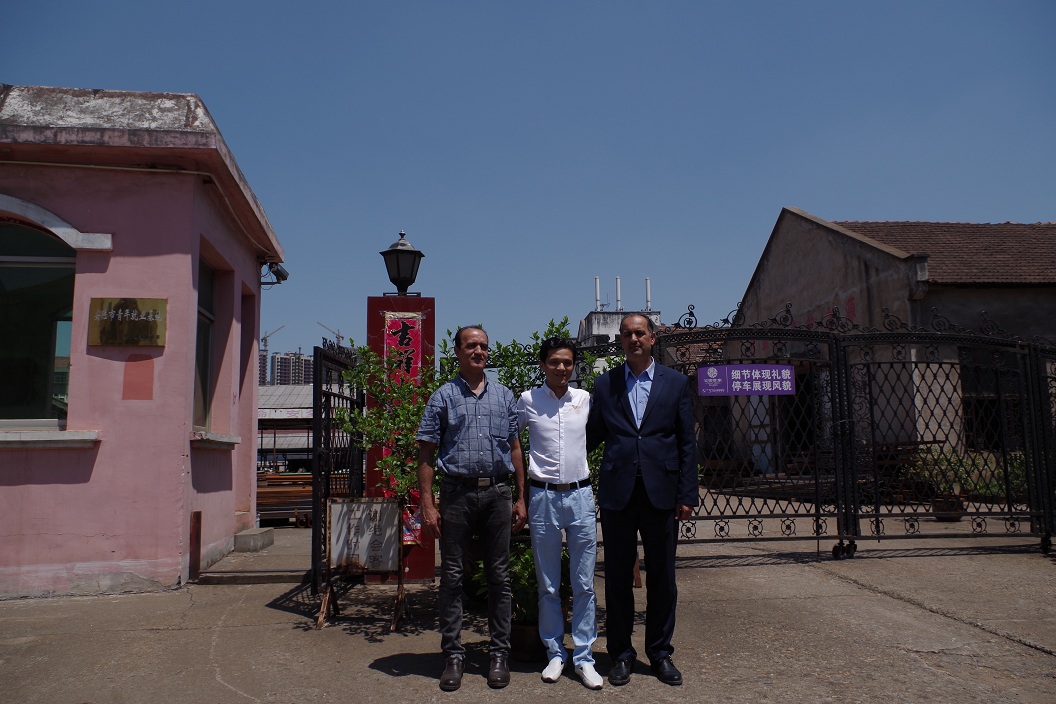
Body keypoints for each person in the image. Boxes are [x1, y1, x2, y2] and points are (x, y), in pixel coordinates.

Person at [586, 314, 699, 687]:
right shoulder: (606, 384)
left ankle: (660, 653)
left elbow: (686, 442)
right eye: (626, 334)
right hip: (618, 492)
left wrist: (687, 494)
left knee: (662, 577)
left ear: (652, 338)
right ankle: (621, 654)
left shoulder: (675, 383)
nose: (633, 339)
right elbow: (590, 436)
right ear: (620, 341)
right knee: (617, 576)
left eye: (639, 333)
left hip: (661, 493)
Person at [416, 325, 528, 691]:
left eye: (483, 346)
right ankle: (453, 655)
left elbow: (515, 448)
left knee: (499, 576)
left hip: (497, 493)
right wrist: (428, 504)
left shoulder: (504, 396)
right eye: (471, 345)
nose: (478, 351)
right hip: (457, 495)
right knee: (452, 577)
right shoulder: (442, 397)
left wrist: (521, 497)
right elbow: (426, 453)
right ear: (458, 351)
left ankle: (499, 654)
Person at [515, 337, 603, 690]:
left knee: (584, 583)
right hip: (543, 498)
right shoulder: (528, 400)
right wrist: (518, 493)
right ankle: (555, 653)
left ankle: (584, 657)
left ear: (573, 366)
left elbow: (598, 436)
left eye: (567, 362)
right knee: (548, 583)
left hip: (580, 495)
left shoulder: (584, 399)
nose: (561, 368)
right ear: (543, 365)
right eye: (554, 362)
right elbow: (510, 441)